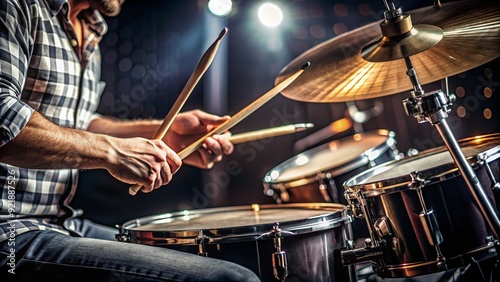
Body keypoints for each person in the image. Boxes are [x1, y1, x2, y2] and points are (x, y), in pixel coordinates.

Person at [0, 0, 260, 281]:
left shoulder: (90, 29)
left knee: (208, 256)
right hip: (10, 233)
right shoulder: (17, 7)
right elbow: (4, 119)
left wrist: (162, 132)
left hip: (61, 221)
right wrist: (112, 152)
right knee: (231, 279)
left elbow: (77, 124)